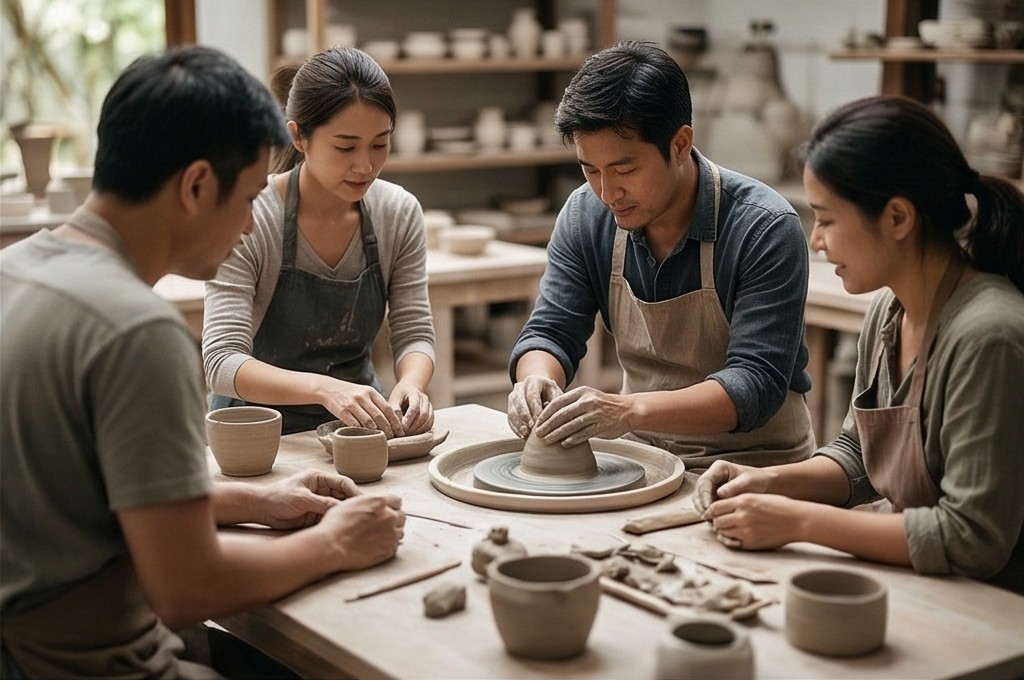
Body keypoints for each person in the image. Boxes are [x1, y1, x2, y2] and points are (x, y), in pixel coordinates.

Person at [0, 46, 405, 678]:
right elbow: (187, 587)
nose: (249, 228)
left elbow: (81, 496)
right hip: (86, 662)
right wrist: (336, 543)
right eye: (246, 199)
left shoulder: (14, 272)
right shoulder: (135, 329)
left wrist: (255, 502)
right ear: (195, 186)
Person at [696, 95, 1024, 594]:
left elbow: (971, 538)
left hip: (996, 606)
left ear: (897, 218)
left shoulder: (989, 336)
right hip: (926, 583)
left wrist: (799, 522)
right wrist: (767, 481)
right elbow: (859, 454)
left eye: (826, 219)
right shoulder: (888, 313)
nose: (815, 241)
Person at [507, 41, 815, 471]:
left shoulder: (762, 227)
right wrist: (535, 379)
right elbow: (552, 329)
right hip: (645, 458)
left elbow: (755, 383)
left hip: (758, 466)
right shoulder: (586, 215)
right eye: (589, 170)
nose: (607, 192)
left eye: (625, 170)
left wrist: (626, 410)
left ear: (680, 144)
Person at [202, 47, 436, 437]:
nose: (365, 165)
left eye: (380, 144)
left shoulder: (398, 213)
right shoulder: (252, 218)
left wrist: (411, 385)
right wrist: (324, 389)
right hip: (254, 431)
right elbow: (222, 363)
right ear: (298, 137)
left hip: (355, 425)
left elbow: (414, 333)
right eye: (345, 147)